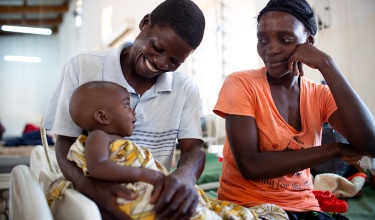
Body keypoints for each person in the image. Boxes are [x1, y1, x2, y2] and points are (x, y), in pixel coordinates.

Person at [41, 0, 206, 219]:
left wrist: (185, 176)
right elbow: (64, 144)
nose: (160, 62)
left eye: (174, 61)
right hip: (90, 200)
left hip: (151, 198)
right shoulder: (82, 67)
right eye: (157, 47)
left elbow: (194, 149)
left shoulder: (185, 89)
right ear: (145, 23)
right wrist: (88, 186)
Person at [213, 0, 375, 219]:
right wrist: (333, 149)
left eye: (285, 39)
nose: (271, 49)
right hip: (249, 205)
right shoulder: (241, 84)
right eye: (262, 40)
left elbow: (370, 143)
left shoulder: (320, 95)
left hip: (304, 206)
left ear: (308, 42)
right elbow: (251, 166)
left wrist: (327, 64)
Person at [53, 81, 220, 219]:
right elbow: (98, 166)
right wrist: (140, 174)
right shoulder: (98, 136)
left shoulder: (114, 140)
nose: (133, 111)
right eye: (126, 105)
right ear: (103, 117)